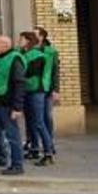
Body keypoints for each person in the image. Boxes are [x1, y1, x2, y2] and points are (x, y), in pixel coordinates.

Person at [0, 36, 27, 175]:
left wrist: (17, 107)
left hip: (7, 104)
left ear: (5, 45)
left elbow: (19, 84)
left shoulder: (15, 59)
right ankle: (0, 156)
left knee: (12, 134)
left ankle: (17, 164)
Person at [19, 31, 54, 166]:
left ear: (28, 41)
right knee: (31, 122)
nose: (19, 42)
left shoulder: (38, 56)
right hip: (27, 91)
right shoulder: (24, 54)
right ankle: (34, 148)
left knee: (39, 122)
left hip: (36, 91)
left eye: (21, 39)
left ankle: (48, 153)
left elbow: (29, 73)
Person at [34, 26, 59, 156]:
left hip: (47, 88)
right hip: (35, 89)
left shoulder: (51, 51)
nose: (33, 36)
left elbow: (55, 71)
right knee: (36, 118)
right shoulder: (30, 50)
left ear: (42, 36)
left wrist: (56, 89)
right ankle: (35, 144)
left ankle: (49, 144)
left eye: (36, 34)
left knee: (46, 117)